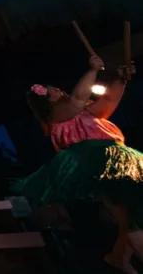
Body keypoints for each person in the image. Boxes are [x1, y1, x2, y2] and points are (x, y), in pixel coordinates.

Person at [14, 56, 143, 273]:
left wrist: (120, 79)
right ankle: (120, 255)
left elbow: (109, 102)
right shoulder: (56, 115)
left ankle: (117, 258)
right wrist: (92, 71)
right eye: (54, 89)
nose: (59, 89)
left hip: (115, 158)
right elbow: (76, 99)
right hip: (97, 162)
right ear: (47, 100)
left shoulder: (85, 111)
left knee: (130, 215)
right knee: (132, 214)